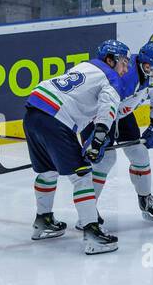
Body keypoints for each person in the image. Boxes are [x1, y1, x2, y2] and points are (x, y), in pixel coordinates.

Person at [22, 39, 127, 253]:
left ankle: (43, 221)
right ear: (110, 60)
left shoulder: (85, 66)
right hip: (56, 119)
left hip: (33, 111)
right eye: (123, 62)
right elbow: (108, 107)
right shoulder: (111, 76)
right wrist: (98, 140)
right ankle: (92, 232)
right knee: (82, 176)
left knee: (48, 171)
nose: (125, 68)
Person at [92, 39, 153, 223]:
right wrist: (98, 133)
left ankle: (145, 199)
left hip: (122, 115)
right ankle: (87, 211)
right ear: (146, 66)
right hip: (99, 116)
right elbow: (100, 104)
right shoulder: (126, 77)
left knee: (140, 154)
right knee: (104, 161)